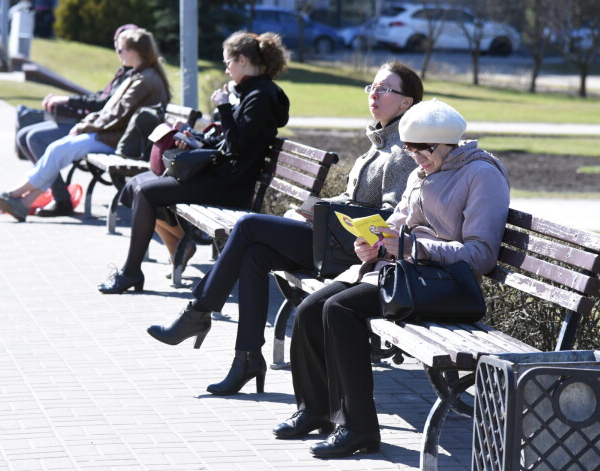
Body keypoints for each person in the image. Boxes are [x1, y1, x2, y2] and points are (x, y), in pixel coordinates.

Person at [145, 61, 424, 397]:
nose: (374, 94)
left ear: (406, 102)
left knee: (248, 225)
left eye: (385, 89)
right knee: (255, 255)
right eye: (372, 87)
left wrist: (329, 215)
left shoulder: (401, 152)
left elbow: (390, 217)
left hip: (351, 253)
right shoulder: (379, 141)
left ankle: (197, 312)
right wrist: (312, 209)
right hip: (332, 239)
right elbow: (353, 197)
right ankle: (246, 359)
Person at [272, 98, 510, 459]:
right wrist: (374, 244)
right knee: (308, 309)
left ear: (449, 142)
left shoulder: (482, 174)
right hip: (404, 273)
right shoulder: (422, 171)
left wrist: (412, 247)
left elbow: (481, 255)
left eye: (423, 149)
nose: (416, 157)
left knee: (340, 311)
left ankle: (359, 429)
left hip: (442, 285)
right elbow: (398, 223)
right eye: (411, 149)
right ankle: (315, 411)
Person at [98, 30, 291, 295]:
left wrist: (223, 106)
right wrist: (197, 141)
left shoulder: (260, 96)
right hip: (224, 175)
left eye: (228, 63)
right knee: (136, 185)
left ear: (243, 60)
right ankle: (176, 246)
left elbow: (237, 145)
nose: (226, 71)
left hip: (231, 185)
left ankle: (132, 272)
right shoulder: (252, 92)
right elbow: (232, 142)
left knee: (145, 192)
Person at [0, 28, 171, 222]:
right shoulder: (139, 75)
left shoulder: (144, 80)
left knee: (59, 149)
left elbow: (117, 116)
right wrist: (86, 124)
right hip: (115, 135)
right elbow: (111, 112)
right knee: (59, 150)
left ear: (134, 51)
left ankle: (14, 195)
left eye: (121, 50)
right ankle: (23, 202)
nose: (119, 54)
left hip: (120, 141)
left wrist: (83, 127)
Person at [15, 23, 138, 217]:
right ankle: (42, 192)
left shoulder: (135, 76)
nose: (118, 48)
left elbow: (104, 106)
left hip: (100, 130)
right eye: (117, 42)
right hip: (91, 124)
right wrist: (67, 101)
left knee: (35, 139)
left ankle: (60, 199)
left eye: (123, 44)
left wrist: (70, 104)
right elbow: (101, 98)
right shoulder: (124, 71)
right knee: (23, 136)